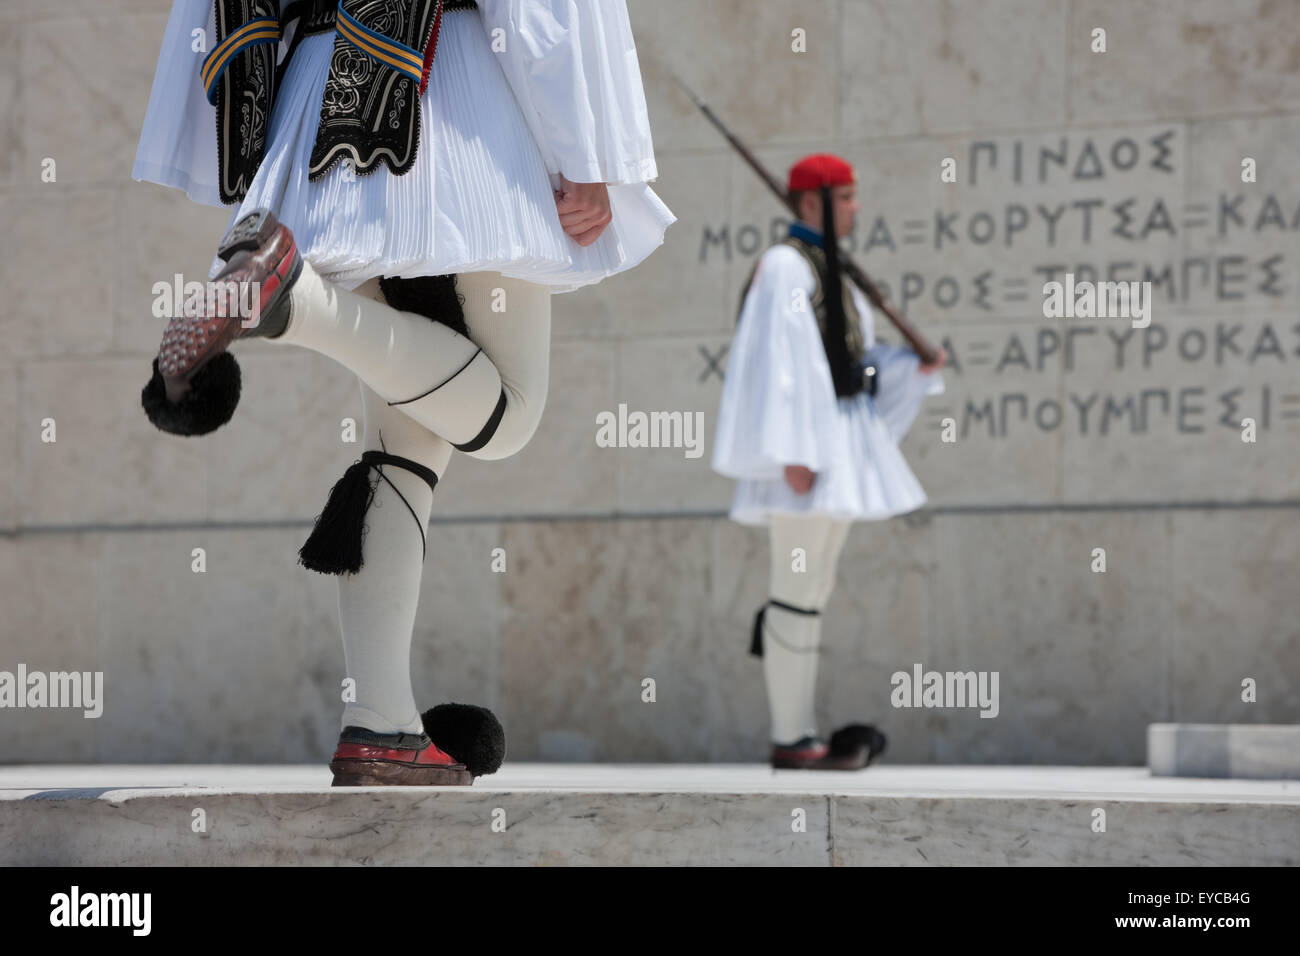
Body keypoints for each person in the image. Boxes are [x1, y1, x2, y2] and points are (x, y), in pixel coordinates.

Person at [132, 0, 673, 785]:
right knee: (510, 414)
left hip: (319, 102)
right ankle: (299, 306)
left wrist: (231, 143)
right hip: (453, 89)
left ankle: (381, 723)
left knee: (402, 454)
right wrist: (587, 149)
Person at [711, 153, 944, 770]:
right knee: (794, 587)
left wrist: (909, 367)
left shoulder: (831, 271)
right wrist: (791, 451)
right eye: (846, 197)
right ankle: (791, 737)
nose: (856, 208)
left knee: (813, 587)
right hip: (805, 452)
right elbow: (775, 364)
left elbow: (849, 368)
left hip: (833, 446)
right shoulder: (787, 265)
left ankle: (800, 730)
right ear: (811, 202)